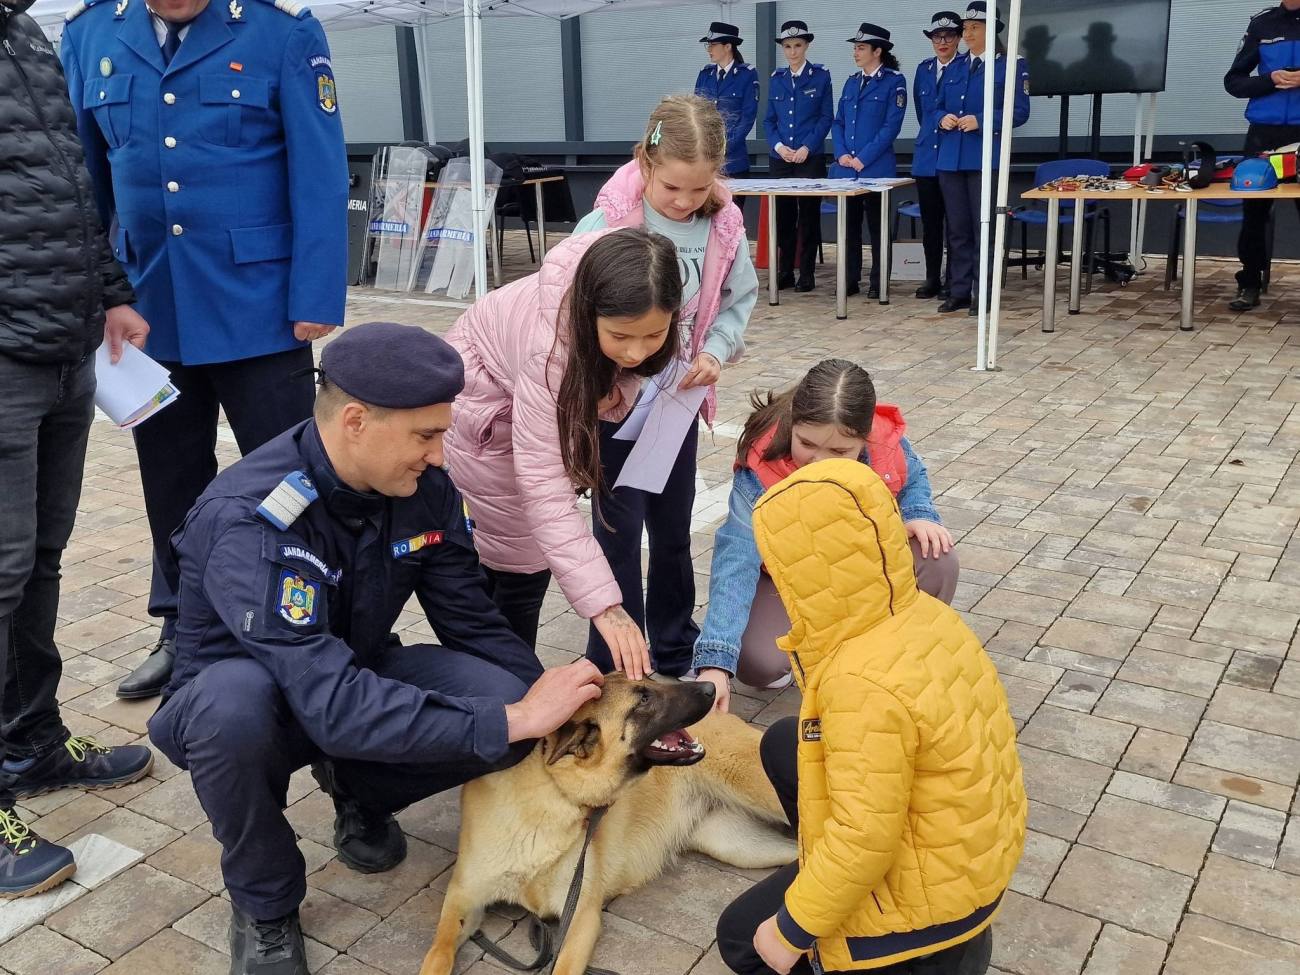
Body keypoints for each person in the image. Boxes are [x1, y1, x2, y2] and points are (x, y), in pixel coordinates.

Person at [147, 322, 603, 975]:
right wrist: (514, 721)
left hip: (348, 674)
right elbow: (330, 701)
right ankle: (266, 903)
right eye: (427, 435)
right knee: (231, 706)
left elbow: (471, 619)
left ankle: (359, 787)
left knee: (510, 698)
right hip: (250, 709)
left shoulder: (422, 489)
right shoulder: (253, 517)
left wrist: (553, 715)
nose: (441, 456)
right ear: (356, 420)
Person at [60, 0, 350, 701]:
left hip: (260, 309)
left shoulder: (281, 31)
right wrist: (99, 293)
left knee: (291, 478)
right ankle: (186, 629)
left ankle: (314, 624)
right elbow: (85, 178)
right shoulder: (91, 33)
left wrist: (314, 297)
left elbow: (319, 171)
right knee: (171, 483)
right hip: (148, 311)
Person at [713, 460, 1025, 975]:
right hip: (969, 862)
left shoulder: (859, 680)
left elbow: (865, 837)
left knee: (743, 939)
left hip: (925, 913)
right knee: (786, 739)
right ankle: (831, 877)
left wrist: (793, 929)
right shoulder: (925, 614)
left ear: (801, 572)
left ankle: (873, 952)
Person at [0, 0, 157, 899]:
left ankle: (31, 742)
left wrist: (110, 289)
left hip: (62, 346)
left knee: (39, 561)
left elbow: (70, 184)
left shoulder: (27, 33)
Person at [573, 96, 758, 680]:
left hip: (676, 404)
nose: (684, 202)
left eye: (699, 190)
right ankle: (616, 654)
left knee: (674, 531)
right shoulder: (604, 224)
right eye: (672, 187)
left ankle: (676, 641)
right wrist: (597, 381)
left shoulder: (723, 227)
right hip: (612, 407)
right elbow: (566, 315)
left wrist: (714, 351)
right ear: (645, 163)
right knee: (618, 534)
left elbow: (736, 301)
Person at [444, 229, 682, 675]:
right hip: (483, 409)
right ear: (588, 313)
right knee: (522, 562)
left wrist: (599, 398)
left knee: (513, 560)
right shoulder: (548, 352)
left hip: (529, 396)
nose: (635, 352)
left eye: (654, 335)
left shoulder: (633, 276)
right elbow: (544, 488)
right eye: (620, 336)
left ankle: (494, 673)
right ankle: (511, 691)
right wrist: (605, 606)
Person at [693, 359, 958, 712]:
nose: (818, 461)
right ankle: (818, 648)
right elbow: (736, 559)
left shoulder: (885, 440)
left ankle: (899, 656)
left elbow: (914, 477)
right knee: (756, 665)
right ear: (792, 423)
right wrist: (716, 661)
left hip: (857, 573)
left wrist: (919, 514)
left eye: (839, 452)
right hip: (793, 580)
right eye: (806, 443)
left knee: (935, 554)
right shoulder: (761, 467)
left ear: (864, 438)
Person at [934, 2, 1030, 314]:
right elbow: (935, 106)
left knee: (983, 228)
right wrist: (942, 118)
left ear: (992, 30)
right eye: (966, 28)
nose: (968, 33)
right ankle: (960, 290)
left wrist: (982, 119)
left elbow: (1019, 111)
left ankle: (983, 292)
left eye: (975, 27)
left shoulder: (1010, 64)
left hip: (984, 158)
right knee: (958, 229)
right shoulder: (956, 66)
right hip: (951, 158)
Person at [1223, 0, 1300, 311]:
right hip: (1263, 135)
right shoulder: (1262, 24)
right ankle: (1250, 283)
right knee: (1254, 214)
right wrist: (1270, 80)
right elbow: (1234, 82)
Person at [829, 24, 907, 300]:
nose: (856, 52)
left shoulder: (893, 81)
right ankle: (849, 279)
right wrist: (841, 153)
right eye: (855, 47)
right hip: (847, 168)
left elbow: (891, 126)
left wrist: (864, 157)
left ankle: (878, 281)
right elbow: (838, 121)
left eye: (861, 47)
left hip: (875, 168)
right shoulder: (852, 81)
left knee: (877, 227)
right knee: (848, 227)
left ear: (878, 51)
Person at [763, 20, 833, 293]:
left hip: (809, 157)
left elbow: (826, 116)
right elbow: (769, 120)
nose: (792, 52)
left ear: (806, 46)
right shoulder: (777, 79)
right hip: (781, 158)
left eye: (797, 46)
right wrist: (779, 146)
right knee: (784, 216)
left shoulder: (820, 76)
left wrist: (807, 147)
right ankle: (785, 271)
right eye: (788, 47)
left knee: (808, 217)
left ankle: (807, 272)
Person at [911, 11, 964, 300]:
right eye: (937, 37)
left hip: (954, 154)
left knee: (955, 223)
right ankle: (932, 276)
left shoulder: (966, 67)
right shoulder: (923, 69)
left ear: (958, 38)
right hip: (927, 157)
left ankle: (953, 278)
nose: (942, 42)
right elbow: (923, 111)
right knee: (931, 223)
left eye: (949, 36)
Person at [695, 21, 760, 211]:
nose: (709, 49)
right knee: (706, 214)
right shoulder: (705, 74)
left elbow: (747, 117)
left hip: (733, 160)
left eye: (713, 45)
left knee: (733, 214)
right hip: (706, 160)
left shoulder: (746, 74)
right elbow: (696, 113)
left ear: (728, 46)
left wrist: (724, 147)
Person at [1065, 22, 1138, 95]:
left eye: (1100, 42)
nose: (1098, 45)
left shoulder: (1074, 70)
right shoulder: (1124, 69)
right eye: (1097, 42)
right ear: (1110, 42)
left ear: (1089, 43)